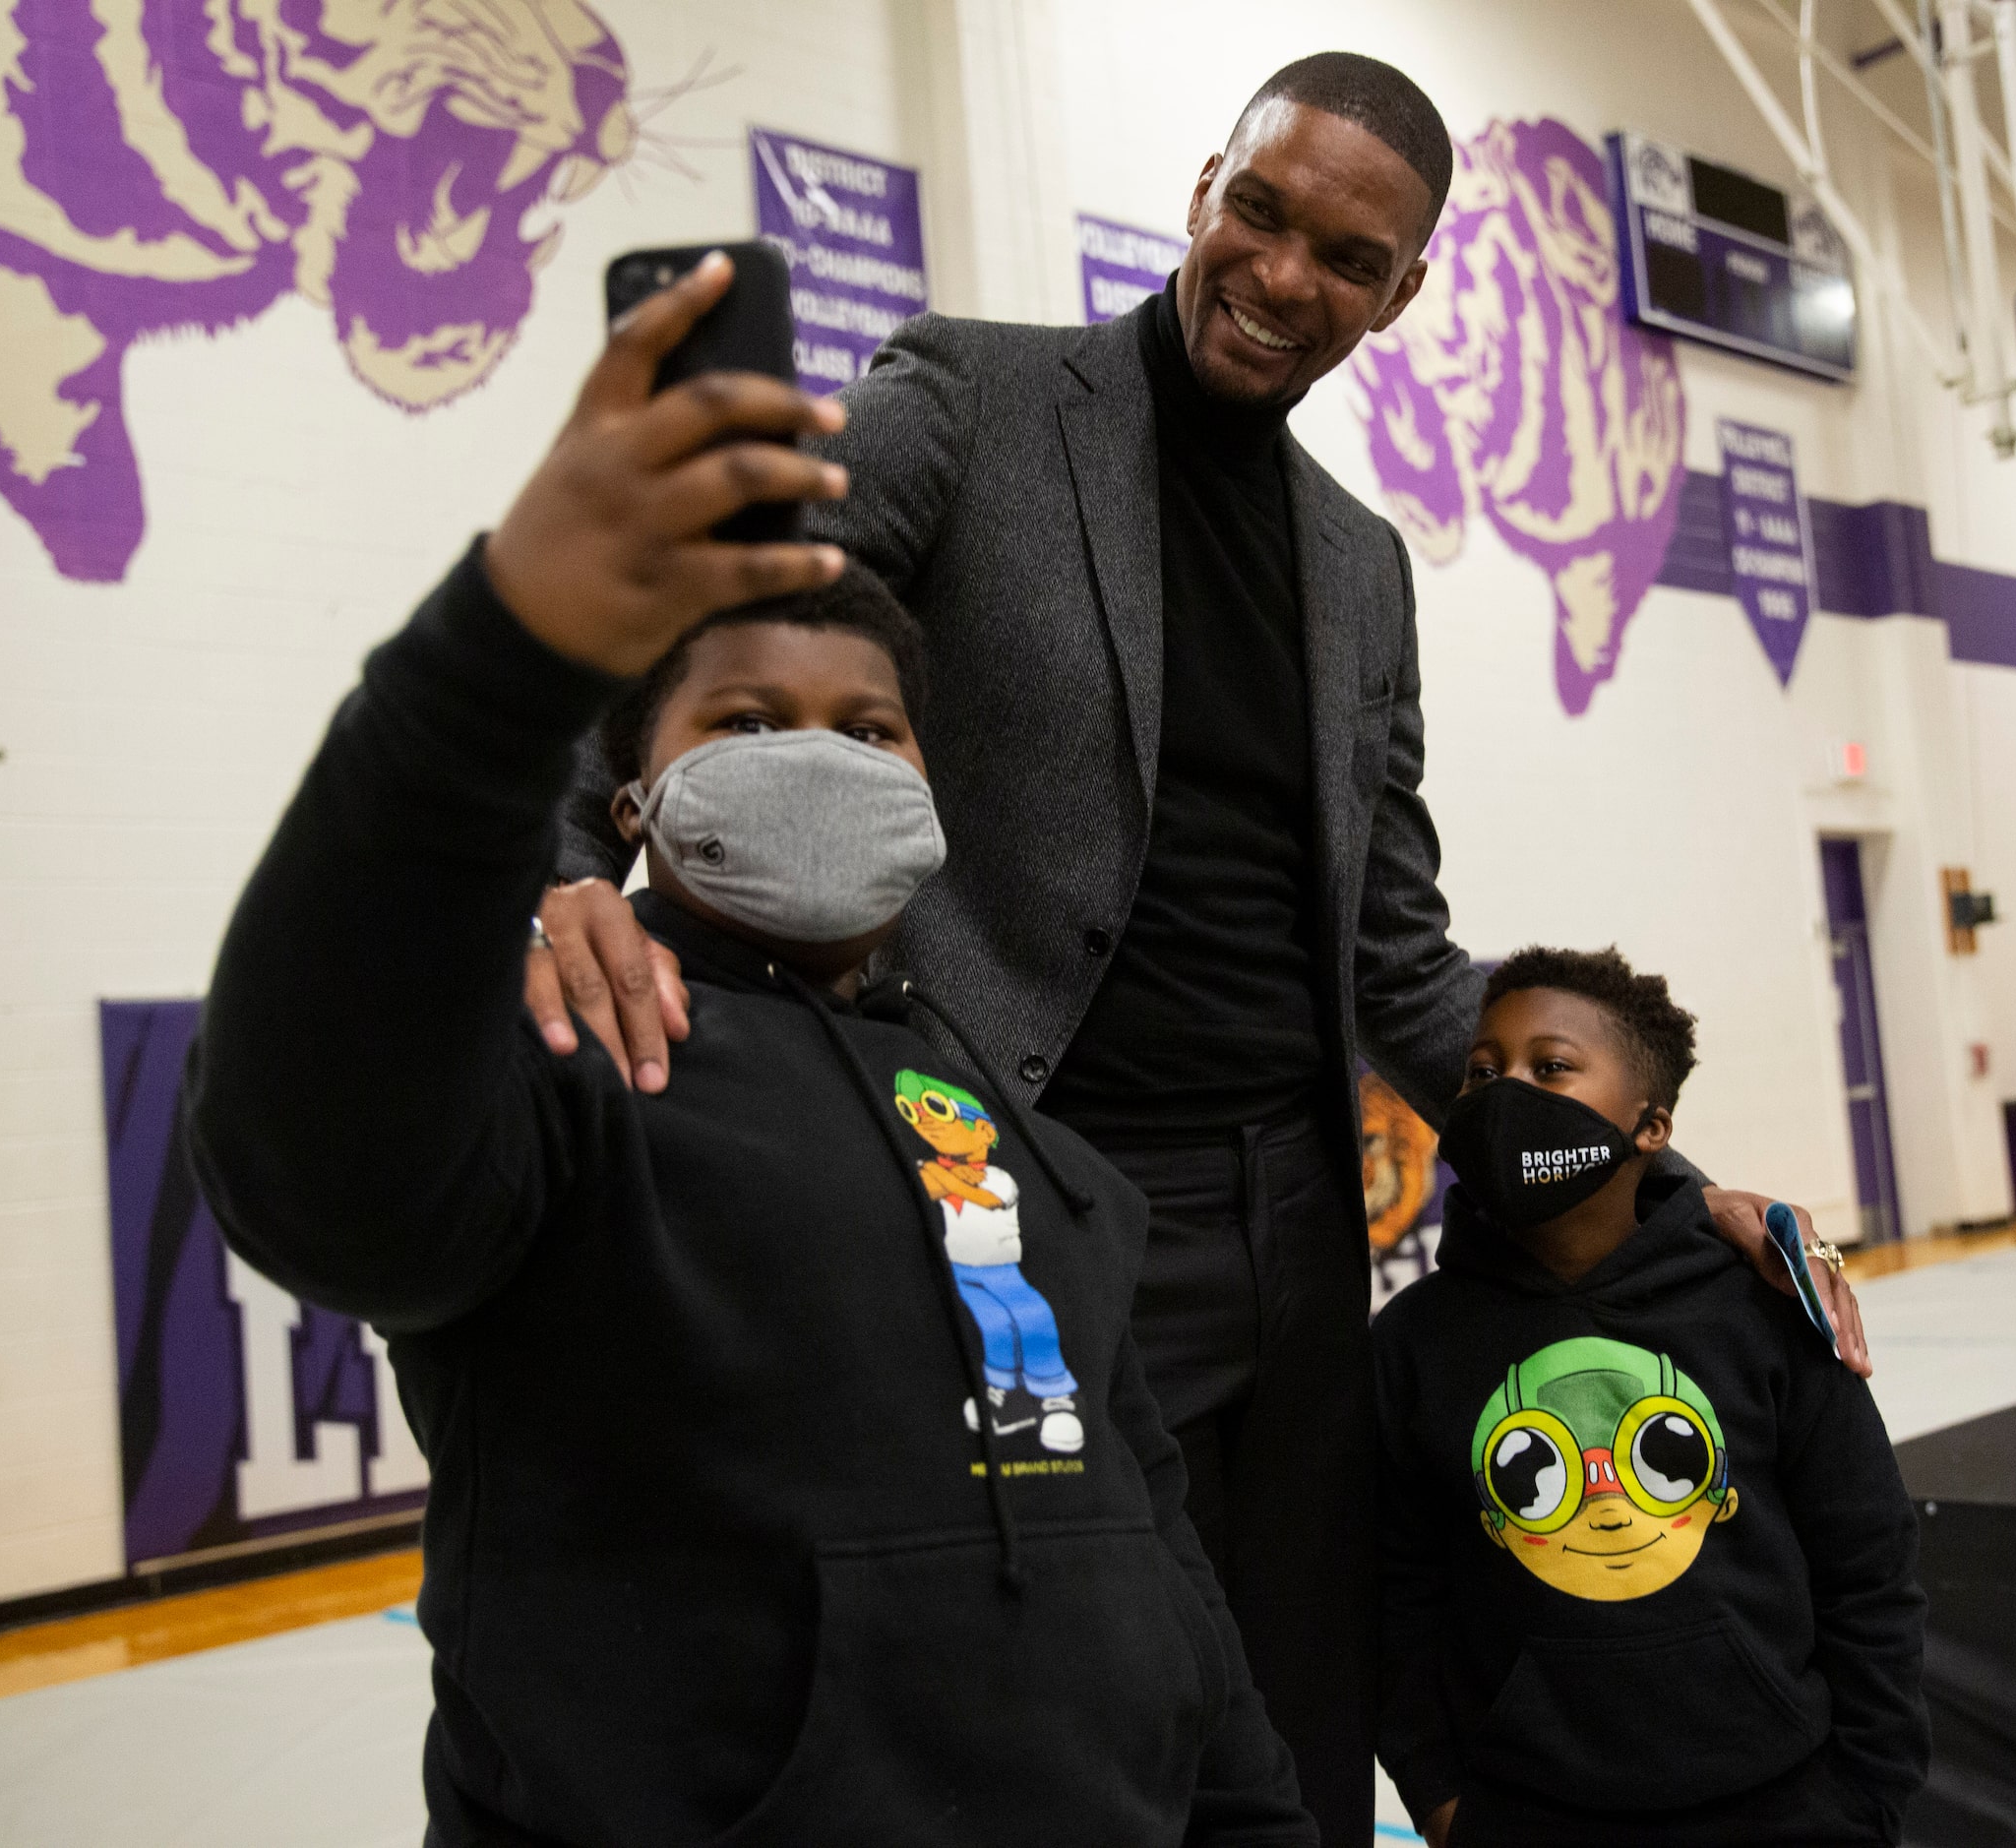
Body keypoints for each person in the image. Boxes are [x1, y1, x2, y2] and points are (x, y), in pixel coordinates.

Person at [525, 53, 1870, 1842]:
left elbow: (1398, 959)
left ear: (1401, 296)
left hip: (1302, 1230)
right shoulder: (972, 398)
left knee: (1292, 1717)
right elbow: (717, 626)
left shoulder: (1362, 566)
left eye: (1344, 253)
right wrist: (571, 865)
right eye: (1261, 211)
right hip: (1033, 1182)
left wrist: (1645, 1165)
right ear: (1201, 194)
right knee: (1061, 1692)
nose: (1281, 272)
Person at [184, 255, 1314, 1847]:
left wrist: (1254, 1817)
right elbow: (309, 1152)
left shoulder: (1042, 1157)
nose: (815, 753)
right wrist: (502, 651)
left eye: (868, 728)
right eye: (740, 720)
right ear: (632, 799)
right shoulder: (578, 1066)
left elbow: (1158, 1548)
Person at [1374, 949, 1927, 1847]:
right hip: (1524, 1815)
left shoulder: (1763, 1309)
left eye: (1550, 1067)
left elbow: (1867, 1565)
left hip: (1788, 1807)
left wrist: (1868, 1791)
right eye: (1482, 1072)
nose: (1505, 1091)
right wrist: (1440, 1798)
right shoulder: (1412, 1345)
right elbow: (1399, 1598)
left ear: (1651, 1126)